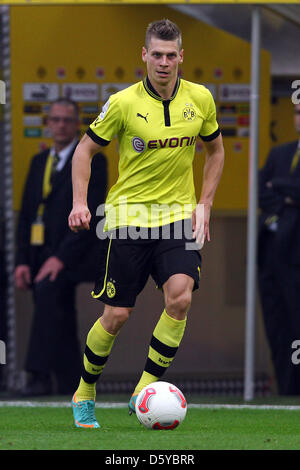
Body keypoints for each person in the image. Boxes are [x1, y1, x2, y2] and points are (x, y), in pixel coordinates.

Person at [69, 19, 224, 428]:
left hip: (177, 217)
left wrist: (204, 203)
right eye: (156, 54)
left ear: (181, 58)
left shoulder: (201, 98)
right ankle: (84, 392)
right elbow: (84, 151)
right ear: (144, 56)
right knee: (117, 315)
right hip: (129, 219)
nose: (163, 62)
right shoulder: (121, 103)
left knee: (181, 297)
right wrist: (79, 203)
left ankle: (144, 390)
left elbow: (216, 152)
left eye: (171, 55)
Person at [15, 98, 107, 396]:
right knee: (59, 311)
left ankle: (38, 376)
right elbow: (27, 214)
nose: (61, 125)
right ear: (48, 123)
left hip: (73, 254)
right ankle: (71, 380)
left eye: (67, 120)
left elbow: (90, 213)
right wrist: (23, 261)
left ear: (76, 124)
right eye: (55, 119)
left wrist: (59, 259)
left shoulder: (93, 160)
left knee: (49, 293)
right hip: (40, 252)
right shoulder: (39, 162)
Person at [258, 103, 300, 395]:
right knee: (276, 323)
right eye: (297, 112)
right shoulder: (280, 153)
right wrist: (286, 196)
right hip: (271, 253)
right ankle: (285, 390)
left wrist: (281, 188)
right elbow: (261, 189)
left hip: (297, 253)